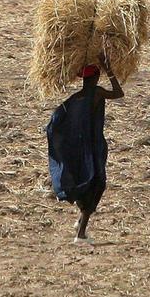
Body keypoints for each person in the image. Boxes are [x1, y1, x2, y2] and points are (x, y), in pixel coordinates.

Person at [45, 54, 124, 246]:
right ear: (95, 78)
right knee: (96, 184)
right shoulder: (96, 93)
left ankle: (81, 222)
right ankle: (80, 234)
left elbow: (55, 122)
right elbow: (118, 93)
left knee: (88, 184)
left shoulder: (74, 99)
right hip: (92, 148)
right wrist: (109, 68)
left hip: (82, 149)